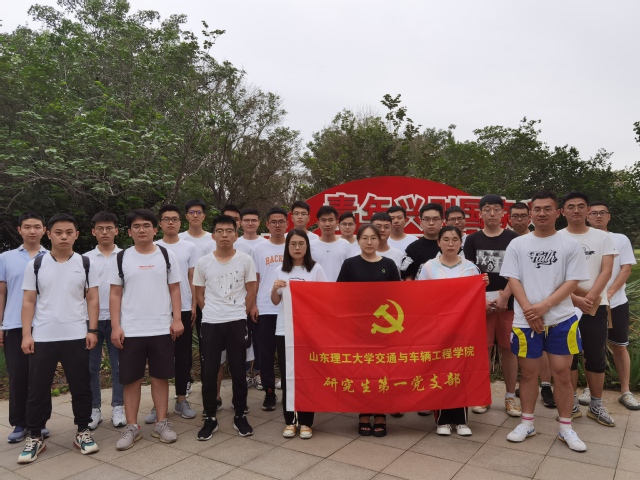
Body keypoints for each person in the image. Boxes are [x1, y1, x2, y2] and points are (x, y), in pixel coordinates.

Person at [501, 191, 589, 452]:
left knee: (562, 373)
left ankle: (566, 428)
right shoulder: (518, 244)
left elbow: (572, 281)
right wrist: (530, 311)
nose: (542, 213)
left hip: (561, 318)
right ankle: (527, 423)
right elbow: (513, 279)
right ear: (531, 213)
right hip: (525, 321)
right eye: (537, 209)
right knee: (528, 373)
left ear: (557, 212)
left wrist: (545, 306)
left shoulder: (569, 245)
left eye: (547, 209)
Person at [19, 213, 100, 463]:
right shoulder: (35, 264)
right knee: (37, 389)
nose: (63, 237)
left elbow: (92, 298)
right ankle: (35, 436)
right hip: (43, 336)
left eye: (69, 232)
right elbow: (29, 301)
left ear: (77, 235)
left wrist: (92, 330)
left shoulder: (86, 263)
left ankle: (83, 431)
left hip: (76, 335)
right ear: (49, 234)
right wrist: (26, 334)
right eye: (58, 232)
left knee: (81, 386)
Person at [110, 209, 184, 450]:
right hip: (131, 329)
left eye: (146, 225)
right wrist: (115, 326)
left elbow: (175, 288)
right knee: (131, 379)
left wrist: (177, 319)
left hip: (161, 327)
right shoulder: (121, 258)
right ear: (129, 231)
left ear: (155, 229)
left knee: (160, 377)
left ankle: (161, 423)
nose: (141, 230)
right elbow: (115, 293)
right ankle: (132, 426)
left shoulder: (166, 255)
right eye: (136, 226)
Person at [193, 215, 257, 439]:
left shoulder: (245, 260)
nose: (224, 235)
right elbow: (199, 294)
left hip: (237, 322)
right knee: (210, 372)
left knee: (238, 371)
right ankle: (210, 418)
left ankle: (240, 415)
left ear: (235, 235)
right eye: (220, 231)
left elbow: (251, 290)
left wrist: (240, 312)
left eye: (229, 231)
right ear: (213, 236)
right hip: (211, 323)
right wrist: (212, 311)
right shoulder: (203, 262)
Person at [417, 226, 485, 436]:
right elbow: (420, 296)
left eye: (455, 239)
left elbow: (477, 299)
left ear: (460, 243)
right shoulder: (429, 267)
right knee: (440, 372)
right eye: (445, 239)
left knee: (460, 371)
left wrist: (482, 284)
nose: (450, 243)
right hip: (438, 328)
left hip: (463, 328)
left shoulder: (471, 268)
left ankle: (461, 420)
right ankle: (443, 420)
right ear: (438, 242)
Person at [559, 192, 616, 426]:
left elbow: (606, 270)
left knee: (595, 356)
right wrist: (574, 299)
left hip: (595, 306)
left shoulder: (602, 238)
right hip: (565, 306)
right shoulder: (556, 238)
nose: (576, 210)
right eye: (570, 206)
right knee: (568, 357)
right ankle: (571, 403)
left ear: (587, 210)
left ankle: (596, 405)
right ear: (562, 211)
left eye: (580, 206)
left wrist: (590, 299)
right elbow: (554, 275)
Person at [337, 224, 401, 437]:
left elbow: (398, 295)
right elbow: (339, 294)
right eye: (364, 238)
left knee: (382, 369)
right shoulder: (350, 264)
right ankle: (363, 412)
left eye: (373, 237)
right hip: (358, 327)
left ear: (379, 239)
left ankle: (381, 413)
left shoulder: (389, 264)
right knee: (362, 369)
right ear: (358, 241)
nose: (369, 242)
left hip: (384, 327)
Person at [463, 194, 521, 417]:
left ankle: (510, 397)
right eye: (487, 209)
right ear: (480, 213)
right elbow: (469, 272)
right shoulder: (472, 240)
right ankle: (482, 396)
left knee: (509, 350)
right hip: (482, 305)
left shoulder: (513, 239)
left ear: (503, 213)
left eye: (496, 209)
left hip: (509, 304)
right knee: (483, 351)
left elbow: (518, 272)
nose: (492, 213)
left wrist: (505, 296)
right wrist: (480, 300)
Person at [271, 229, 327, 439]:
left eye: (301, 244)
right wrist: (274, 288)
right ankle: (290, 421)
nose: (297, 247)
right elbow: (275, 301)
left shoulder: (315, 269)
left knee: (307, 376)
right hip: (284, 329)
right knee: (288, 376)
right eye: (293, 244)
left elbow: (325, 298)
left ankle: (306, 422)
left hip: (308, 331)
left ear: (307, 246)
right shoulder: (280, 270)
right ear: (287, 247)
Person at [0, 213, 51, 444]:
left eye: (37, 227)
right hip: (14, 324)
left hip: (44, 325)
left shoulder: (51, 257)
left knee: (41, 377)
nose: (32, 231)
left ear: (44, 230)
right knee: (18, 376)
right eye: (27, 227)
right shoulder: (6, 258)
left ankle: (39, 422)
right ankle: (19, 423)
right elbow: (2, 293)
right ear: (19, 229)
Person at [145, 205, 197, 422]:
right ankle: (158, 406)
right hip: (160, 310)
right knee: (159, 358)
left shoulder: (189, 247)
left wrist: (193, 304)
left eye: (174, 219)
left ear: (180, 222)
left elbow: (192, 276)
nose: (171, 223)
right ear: (160, 224)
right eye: (166, 219)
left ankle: (181, 399)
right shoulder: (153, 246)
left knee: (183, 357)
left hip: (183, 308)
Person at [587, 201, 639, 410]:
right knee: (590, 347)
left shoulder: (620, 239)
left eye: (603, 213)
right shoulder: (582, 239)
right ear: (587, 216)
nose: (598, 216)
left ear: (609, 216)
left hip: (616, 302)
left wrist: (608, 294)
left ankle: (625, 391)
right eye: (594, 213)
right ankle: (589, 389)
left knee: (619, 346)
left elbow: (626, 269)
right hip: (589, 303)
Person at [509, 203, 555, 408]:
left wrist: (539, 308)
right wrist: (528, 310)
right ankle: (519, 397)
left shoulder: (551, 241)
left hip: (545, 309)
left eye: (522, 216)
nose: (519, 220)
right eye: (515, 216)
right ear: (509, 218)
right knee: (522, 357)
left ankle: (545, 386)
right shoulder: (512, 242)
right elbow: (512, 276)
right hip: (518, 307)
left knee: (544, 350)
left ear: (528, 218)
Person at [83, 212, 125, 430]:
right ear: (94, 232)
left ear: (116, 230)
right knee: (91, 368)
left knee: (119, 366)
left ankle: (119, 406)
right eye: (100, 228)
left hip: (118, 319)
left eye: (109, 228)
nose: (105, 232)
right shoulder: (84, 259)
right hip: (91, 321)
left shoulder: (125, 256)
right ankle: (94, 409)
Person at [252, 207, 288, 411]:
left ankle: (288, 393)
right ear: (267, 224)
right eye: (273, 222)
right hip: (265, 308)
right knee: (266, 354)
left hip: (289, 309)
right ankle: (269, 392)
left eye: (281, 221)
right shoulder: (259, 249)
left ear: (287, 224)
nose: (277, 225)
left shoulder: (293, 246)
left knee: (287, 354)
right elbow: (255, 279)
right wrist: (253, 304)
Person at [402, 203, 443, 280]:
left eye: (435, 219)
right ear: (420, 223)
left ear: (442, 222)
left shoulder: (450, 246)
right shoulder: (412, 248)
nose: (431, 223)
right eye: (427, 219)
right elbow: (408, 278)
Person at [311, 206, 351, 281]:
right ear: (318, 223)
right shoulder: (311, 245)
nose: (327, 224)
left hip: (340, 287)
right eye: (323, 220)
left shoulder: (346, 245)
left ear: (336, 223)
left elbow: (350, 270)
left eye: (330, 220)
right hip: (318, 287)